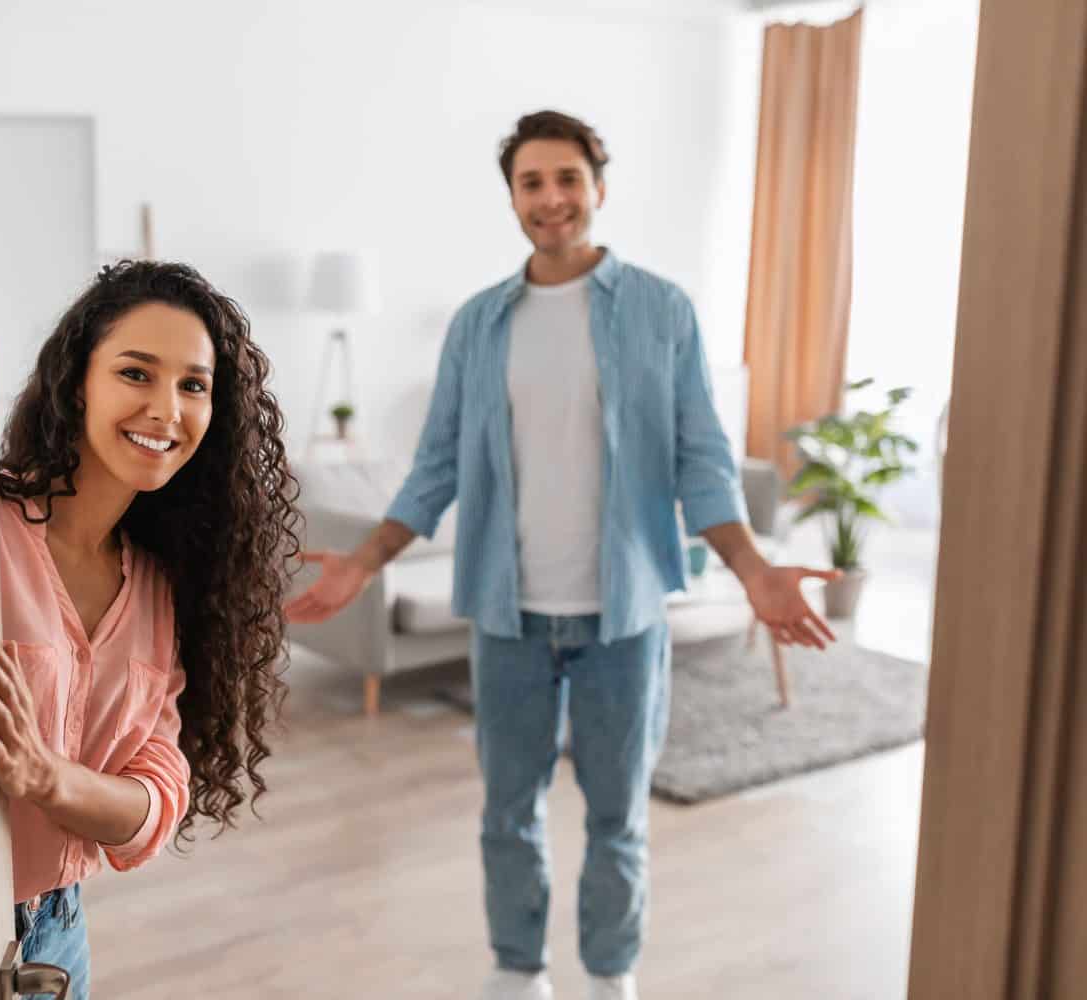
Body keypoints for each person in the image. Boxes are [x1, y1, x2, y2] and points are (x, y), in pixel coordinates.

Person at [285, 111, 841, 1000]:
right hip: (509, 618)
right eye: (531, 183)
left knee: (618, 817)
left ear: (599, 187)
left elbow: (702, 459)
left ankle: (611, 975)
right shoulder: (478, 324)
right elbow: (436, 465)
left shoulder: (661, 312)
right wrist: (368, 560)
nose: (551, 199)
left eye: (567, 178)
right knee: (509, 812)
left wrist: (752, 570)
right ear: (512, 199)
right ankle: (518, 970)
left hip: (623, 617)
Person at [0, 260, 299, 999]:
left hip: (57, 934)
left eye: (193, 385)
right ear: (77, 380)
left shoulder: (156, 584)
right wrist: (86, 792)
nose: (166, 409)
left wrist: (50, 780)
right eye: (136, 373)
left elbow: (158, 795)